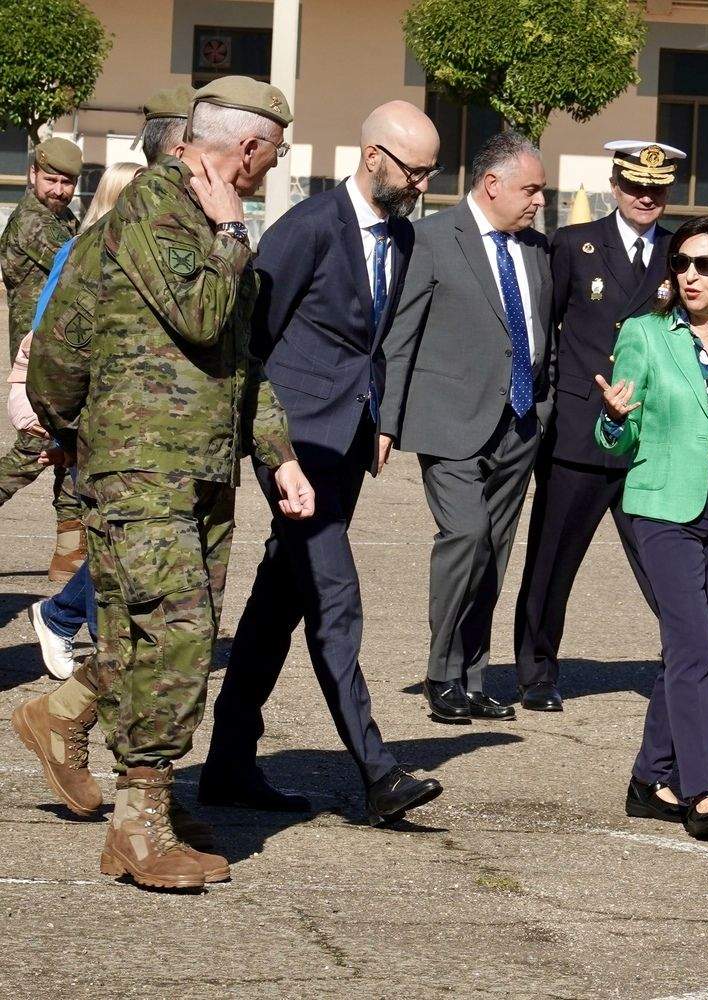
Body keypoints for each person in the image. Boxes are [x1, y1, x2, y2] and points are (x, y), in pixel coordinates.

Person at [73, 76, 318, 891]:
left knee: (169, 638)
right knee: (172, 633)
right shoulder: (157, 210)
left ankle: (144, 809)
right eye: (273, 155)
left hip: (203, 471)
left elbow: (240, 359)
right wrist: (231, 232)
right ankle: (139, 818)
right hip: (143, 467)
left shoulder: (213, 224)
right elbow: (200, 315)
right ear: (247, 148)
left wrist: (278, 453)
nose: (272, 169)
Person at [201, 102, 445, 823]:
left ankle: (228, 764)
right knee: (334, 600)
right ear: (372, 157)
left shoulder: (402, 236)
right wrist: (272, 450)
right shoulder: (307, 228)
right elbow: (253, 341)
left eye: (430, 173)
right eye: (414, 171)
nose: (423, 186)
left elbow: (376, 342)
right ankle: (377, 771)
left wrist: (380, 418)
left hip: (347, 445)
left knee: (279, 602)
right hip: (294, 448)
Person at [513, 139, 708, 714]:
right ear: (615, 186)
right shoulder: (575, 244)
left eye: (656, 189)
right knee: (553, 560)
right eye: (634, 186)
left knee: (671, 569)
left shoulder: (683, 255)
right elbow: (545, 334)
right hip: (584, 430)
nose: (645, 197)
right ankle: (536, 672)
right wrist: (552, 406)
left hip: (656, 440)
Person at [11, 89, 194, 835]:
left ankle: (121, 773)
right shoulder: (105, 241)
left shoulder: (202, 236)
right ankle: (140, 806)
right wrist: (69, 429)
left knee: (163, 624)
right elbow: (53, 346)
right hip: (125, 452)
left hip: (184, 457)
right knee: (157, 622)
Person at [596, 215, 708, 840]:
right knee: (695, 648)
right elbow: (617, 436)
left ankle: (649, 778)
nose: (690, 275)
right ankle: (702, 789)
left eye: (706, 265)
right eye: (681, 263)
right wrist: (614, 417)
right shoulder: (644, 334)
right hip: (660, 507)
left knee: (686, 648)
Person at [381, 131, 553, 724]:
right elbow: (401, 336)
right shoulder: (430, 239)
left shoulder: (536, 248)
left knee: (495, 554)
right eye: (531, 189)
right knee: (467, 535)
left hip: (520, 423)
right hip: (449, 422)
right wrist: (386, 421)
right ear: (492, 184)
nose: (539, 200)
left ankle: (471, 677)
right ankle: (441, 674)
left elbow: (543, 332)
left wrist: (544, 408)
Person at [10, 162, 143, 680]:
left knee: (115, 529)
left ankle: (69, 618)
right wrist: (60, 421)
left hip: (116, 414)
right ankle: (86, 634)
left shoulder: (132, 254)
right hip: (79, 407)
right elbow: (49, 337)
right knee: (112, 528)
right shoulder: (79, 251)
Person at [0, 136, 86, 581]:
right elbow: (83, 268)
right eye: (51, 179)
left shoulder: (62, 218)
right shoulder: (34, 223)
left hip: (60, 352)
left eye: (67, 183)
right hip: (38, 356)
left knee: (70, 442)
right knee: (35, 445)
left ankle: (69, 552)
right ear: (33, 174)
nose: (59, 190)